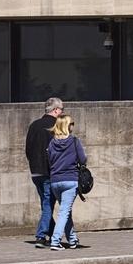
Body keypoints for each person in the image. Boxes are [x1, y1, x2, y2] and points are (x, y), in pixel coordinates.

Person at [25, 97, 75, 247]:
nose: (62, 112)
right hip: (49, 172)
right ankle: (40, 236)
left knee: (46, 204)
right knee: (48, 205)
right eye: (62, 110)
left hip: (35, 172)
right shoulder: (55, 125)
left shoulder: (34, 125)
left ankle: (52, 234)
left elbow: (28, 149)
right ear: (55, 110)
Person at [44, 112, 88, 250]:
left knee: (65, 211)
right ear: (67, 126)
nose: (73, 126)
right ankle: (55, 241)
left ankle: (73, 240)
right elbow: (83, 159)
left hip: (55, 181)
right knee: (64, 212)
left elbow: (49, 161)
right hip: (70, 180)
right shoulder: (74, 141)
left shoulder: (52, 143)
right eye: (72, 123)